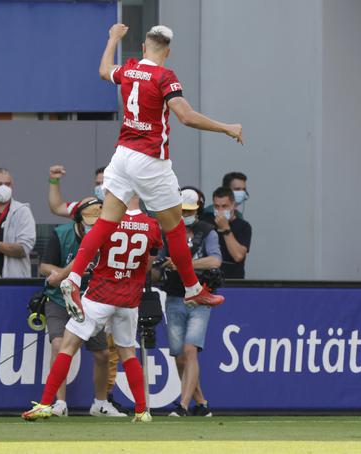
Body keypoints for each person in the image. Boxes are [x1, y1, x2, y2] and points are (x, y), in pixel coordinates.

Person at [54, 23, 243, 314]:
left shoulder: (129, 69)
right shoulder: (165, 76)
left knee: (106, 223)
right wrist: (227, 128)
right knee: (176, 226)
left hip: (121, 157)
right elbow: (186, 116)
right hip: (150, 160)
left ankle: (75, 278)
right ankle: (193, 289)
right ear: (167, 52)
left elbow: (104, 70)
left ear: (143, 48)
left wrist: (113, 38)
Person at [23, 196, 162, 423]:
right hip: (129, 298)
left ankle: (47, 403)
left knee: (67, 346)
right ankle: (141, 410)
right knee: (128, 353)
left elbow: (88, 252)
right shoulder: (152, 225)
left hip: (100, 294)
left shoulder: (107, 219)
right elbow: (147, 264)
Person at [47, 164, 126, 413]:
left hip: (93, 299)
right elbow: (56, 206)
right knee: (60, 346)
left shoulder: (118, 216)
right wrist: (53, 181)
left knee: (103, 354)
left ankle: (100, 404)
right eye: (99, 181)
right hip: (62, 298)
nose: (102, 186)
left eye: (106, 181)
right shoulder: (71, 221)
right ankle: (58, 402)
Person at [153, 188, 221, 417]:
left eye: (189, 210)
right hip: (173, 295)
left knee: (190, 350)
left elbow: (215, 260)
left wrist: (183, 264)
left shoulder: (208, 231)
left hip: (200, 296)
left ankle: (182, 405)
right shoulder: (167, 232)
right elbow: (158, 263)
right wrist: (161, 264)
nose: (185, 214)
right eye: (182, 210)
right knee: (179, 354)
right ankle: (201, 403)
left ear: (198, 209)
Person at [201, 187, 252, 279]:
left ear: (233, 205)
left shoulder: (243, 226)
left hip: (232, 281)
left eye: (224, 206)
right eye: (216, 206)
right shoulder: (206, 222)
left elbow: (238, 256)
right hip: (207, 279)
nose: (220, 210)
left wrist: (225, 228)